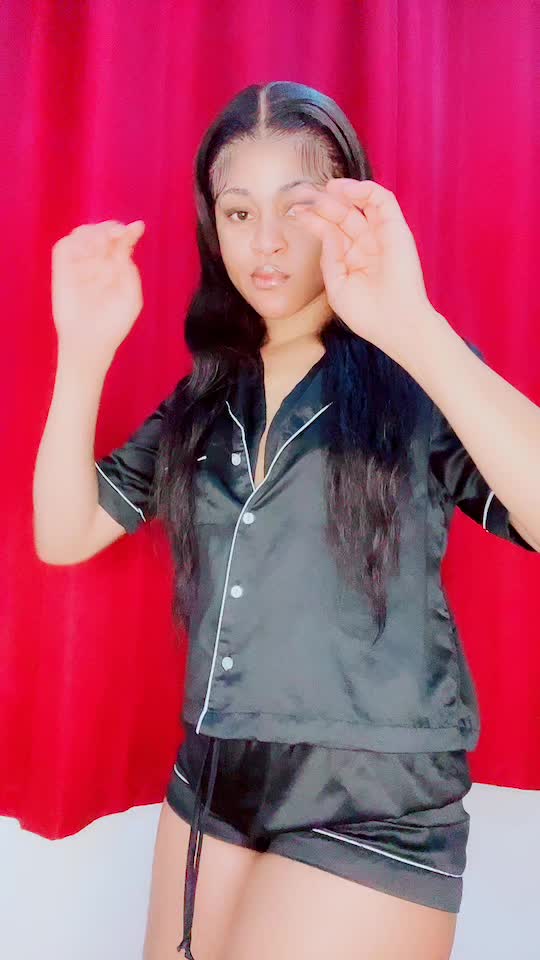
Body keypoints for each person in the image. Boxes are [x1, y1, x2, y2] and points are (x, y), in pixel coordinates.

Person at [34, 81, 538, 960]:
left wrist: (410, 322)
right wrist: (82, 348)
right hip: (212, 777)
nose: (264, 242)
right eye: (238, 212)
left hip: (372, 795)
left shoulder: (412, 372)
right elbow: (65, 533)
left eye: (295, 208)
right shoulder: (205, 397)